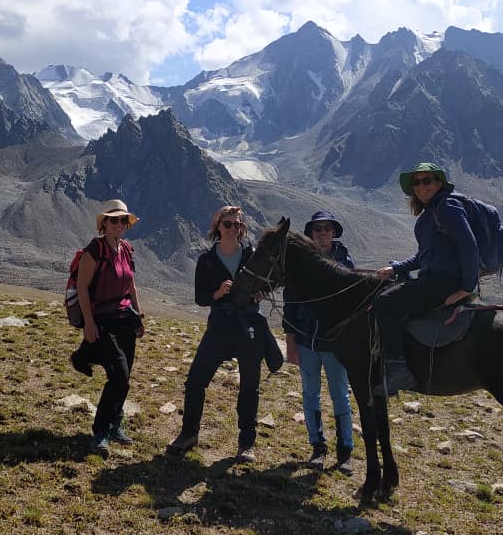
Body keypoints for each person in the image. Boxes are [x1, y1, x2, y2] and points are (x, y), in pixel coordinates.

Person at [167, 205, 279, 462]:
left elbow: (268, 283)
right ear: (217, 226)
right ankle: (189, 434)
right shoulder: (207, 259)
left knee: (250, 386)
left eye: (237, 225)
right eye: (227, 224)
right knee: (195, 381)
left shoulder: (252, 255)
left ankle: (246, 444)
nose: (233, 229)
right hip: (219, 326)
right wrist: (217, 293)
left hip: (248, 326)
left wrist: (261, 293)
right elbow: (200, 297)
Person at [374, 163, 478, 395]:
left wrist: (467, 287)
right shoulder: (433, 211)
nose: (421, 187)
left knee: (384, 304)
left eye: (427, 181)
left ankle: (399, 369)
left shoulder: (447, 206)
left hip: (442, 282)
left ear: (439, 182)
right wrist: (396, 268)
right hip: (434, 278)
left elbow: (469, 247)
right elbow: (424, 256)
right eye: (417, 182)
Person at [69, 199, 145, 457]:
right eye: (114, 219)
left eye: (123, 220)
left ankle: (115, 424)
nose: (119, 224)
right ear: (104, 223)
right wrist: (89, 323)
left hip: (125, 318)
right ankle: (100, 432)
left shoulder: (126, 249)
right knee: (120, 377)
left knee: (123, 378)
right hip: (103, 319)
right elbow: (82, 287)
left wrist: (139, 315)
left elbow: (131, 285)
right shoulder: (96, 249)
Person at [283, 211, 356, 473]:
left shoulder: (345, 263)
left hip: (335, 344)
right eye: (317, 229)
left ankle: (345, 450)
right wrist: (290, 341)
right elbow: (290, 303)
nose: (322, 233)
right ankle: (318, 447)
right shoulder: (300, 264)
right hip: (305, 340)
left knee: (340, 396)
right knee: (310, 394)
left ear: (334, 232)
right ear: (311, 234)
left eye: (327, 228)